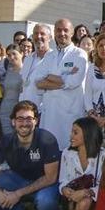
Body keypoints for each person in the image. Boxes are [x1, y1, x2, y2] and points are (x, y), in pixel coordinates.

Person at [34, 19, 89, 150]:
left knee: (69, 151)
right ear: (54, 33)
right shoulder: (49, 55)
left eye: (65, 30)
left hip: (69, 113)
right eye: (58, 30)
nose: (62, 33)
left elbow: (75, 81)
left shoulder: (79, 54)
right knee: (49, 152)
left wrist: (49, 77)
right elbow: (38, 81)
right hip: (50, 113)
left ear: (72, 33)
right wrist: (65, 78)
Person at [59, 116, 105, 210]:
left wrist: (87, 192)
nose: (71, 136)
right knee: (84, 203)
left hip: (95, 200)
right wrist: (64, 189)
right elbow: (62, 180)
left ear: (87, 134)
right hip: (72, 198)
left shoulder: (103, 155)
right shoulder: (67, 154)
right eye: (71, 132)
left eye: (75, 132)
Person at [19, 23, 51, 106]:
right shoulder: (28, 58)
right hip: (24, 106)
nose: (38, 36)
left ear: (50, 38)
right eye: (36, 34)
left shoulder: (54, 58)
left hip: (43, 109)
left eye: (42, 34)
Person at [0, 45, 24, 135]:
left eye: (14, 54)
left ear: (21, 54)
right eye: (8, 55)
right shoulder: (8, 70)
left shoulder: (27, 71)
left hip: (20, 110)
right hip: (5, 110)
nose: (11, 57)